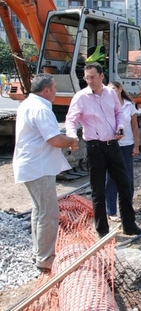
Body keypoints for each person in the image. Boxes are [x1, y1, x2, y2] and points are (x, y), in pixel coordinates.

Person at [65, 62, 141, 238]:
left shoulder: (111, 93)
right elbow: (71, 120)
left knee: (125, 185)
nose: (90, 81)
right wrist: (72, 136)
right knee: (98, 190)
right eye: (87, 78)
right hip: (95, 147)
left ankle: (129, 225)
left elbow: (119, 113)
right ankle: (102, 230)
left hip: (113, 146)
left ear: (102, 76)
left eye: (93, 77)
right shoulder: (81, 97)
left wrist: (120, 127)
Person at [13, 73, 79, 273]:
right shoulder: (41, 109)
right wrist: (72, 140)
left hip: (31, 165)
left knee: (39, 211)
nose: (56, 92)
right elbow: (54, 140)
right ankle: (45, 259)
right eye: (55, 88)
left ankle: (39, 251)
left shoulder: (28, 104)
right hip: (38, 167)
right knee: (49, 213)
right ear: (47, 90)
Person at [105, 81, 139, 222]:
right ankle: (111, 211)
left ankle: (127, 208)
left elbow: (135, 128)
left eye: (113, 88)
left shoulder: (129, 106)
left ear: (120, 89)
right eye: (108, 89)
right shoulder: (106, 105)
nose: (111, 91)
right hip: (112, 145)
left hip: (127, 145)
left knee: (128, 178)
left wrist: (136, 146)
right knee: (111, 179)